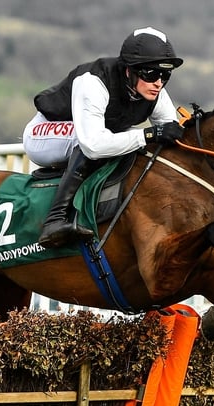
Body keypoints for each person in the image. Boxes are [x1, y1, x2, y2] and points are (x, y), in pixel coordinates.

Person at [23, 26, 185, 248]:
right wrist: (149, 134)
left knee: (136, 140)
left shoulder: (155, 91)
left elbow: (170, 133)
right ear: (129, 70)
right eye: (151, 73)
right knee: (97, 142)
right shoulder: (93, 81)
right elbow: (93, 146)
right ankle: (54, 221)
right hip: (44, 133)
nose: (158, 82)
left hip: (94, 132)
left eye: (165, 74)